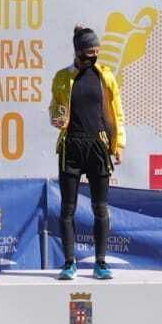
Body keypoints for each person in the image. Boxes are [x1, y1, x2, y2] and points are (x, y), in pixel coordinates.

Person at [49, 25, 124, 280]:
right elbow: (56, 108)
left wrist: (119, 144)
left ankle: (100, 263)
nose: (94, 56)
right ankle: (69, 263)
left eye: (97, 52)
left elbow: (117, 113)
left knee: (100, 208)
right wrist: (56, 118)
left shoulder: (105, 76)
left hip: (98, 145)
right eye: (89, 52)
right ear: (78, 51)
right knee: (67, 208)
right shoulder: (62, 77)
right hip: (71, 146)